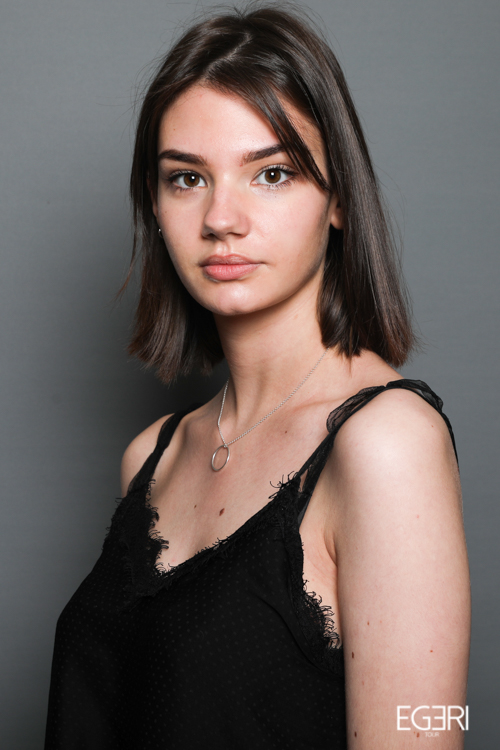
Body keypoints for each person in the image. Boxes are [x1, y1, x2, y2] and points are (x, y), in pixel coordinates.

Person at [44, 4, 471, 748]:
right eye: (187, 178)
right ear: (155, 204)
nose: (222, 218)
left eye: (271, 174)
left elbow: (427, 729)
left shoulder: (385, 444)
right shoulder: (152, 457)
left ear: (339, 199)